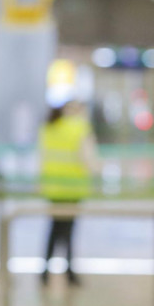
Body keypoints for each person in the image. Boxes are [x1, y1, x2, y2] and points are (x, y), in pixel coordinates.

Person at [39, 101, 97, 286]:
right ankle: (68, 271)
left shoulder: (49, 127)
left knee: (55, 229)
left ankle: (47, 270)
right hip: (72, 188)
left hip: (53, 187)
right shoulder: (80, 128)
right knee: (68, 230)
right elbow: (90, 159)